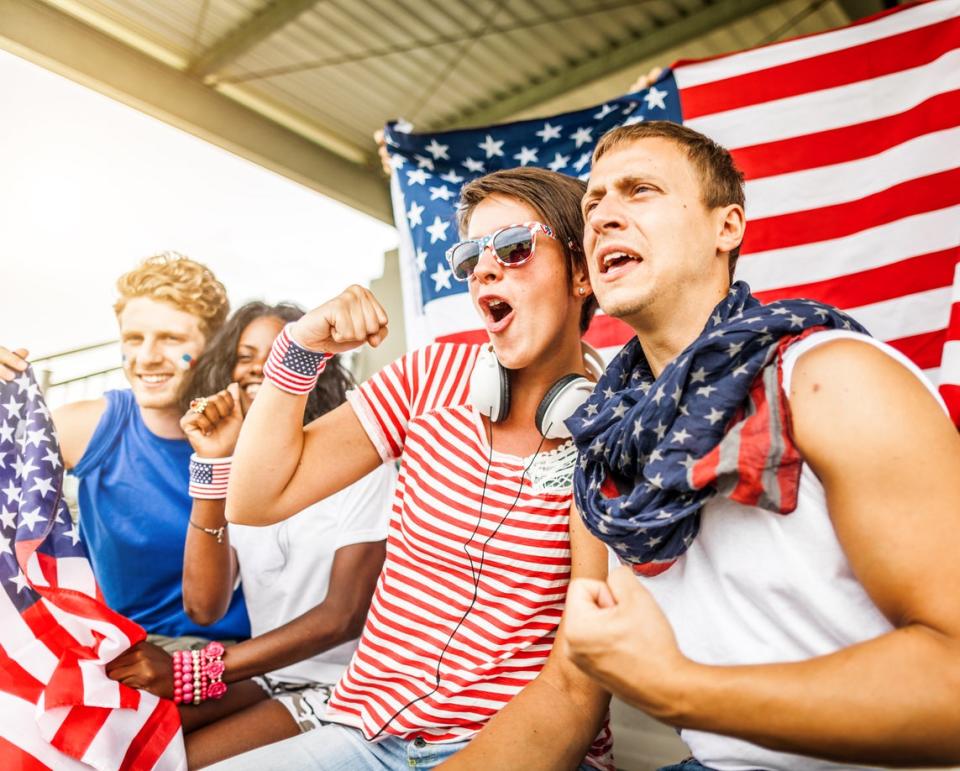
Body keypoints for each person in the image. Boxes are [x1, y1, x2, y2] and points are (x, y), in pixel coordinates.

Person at [558, 121, 960, 769]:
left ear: (728, 227)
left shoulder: (830, 378)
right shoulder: (607, 444)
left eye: (639, 190)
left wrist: (678, 689)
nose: (603, 216)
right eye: (593, 203)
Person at [211, 167, 615, 770]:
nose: (484, 269)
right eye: (470, 257)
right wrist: (297, 350)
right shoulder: (429, 377)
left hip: (516, 748)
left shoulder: (615, 423)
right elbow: (254, 501)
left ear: (582, 273)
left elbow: (582, 676)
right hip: (363, 732)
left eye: (513, 246)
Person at [105, 301, 396, 768]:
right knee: (117, 739)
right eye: (246, 355)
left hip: (347, 685)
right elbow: (204, 607)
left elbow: (343, 616)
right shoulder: (239, 473)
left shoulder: (359, 462)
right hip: (267, 675)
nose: (261, 365)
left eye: (282, 350)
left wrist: (191, 669)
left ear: (313, 367)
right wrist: (213, 463)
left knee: (178, 763)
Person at [0, 253, 249, 644]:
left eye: (171, 338)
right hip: (120, 653)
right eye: (134, 338)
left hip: (229, 659)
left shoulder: (251, 436)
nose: (147, 357)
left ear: (214, 346)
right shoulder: (92, 426)